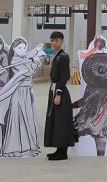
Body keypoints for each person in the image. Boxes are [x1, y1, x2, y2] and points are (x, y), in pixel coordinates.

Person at [44, 31, 75, 160]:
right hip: (54, 89)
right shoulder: (57, 56)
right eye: (52, 40)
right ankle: (58, 149)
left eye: (56, 40)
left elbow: (65, 76)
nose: (54, 43)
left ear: (62, 41)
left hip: (60, 92)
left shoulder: (64, 56)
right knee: (56, 121)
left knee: (61, 121)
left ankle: (63, 152)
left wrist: (58, 93)